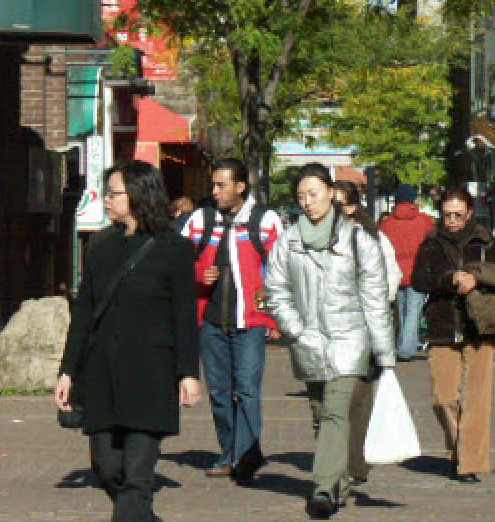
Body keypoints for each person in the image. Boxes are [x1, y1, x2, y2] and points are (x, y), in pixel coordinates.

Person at [55, 161, 201, 521]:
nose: (107, 199)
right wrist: (67, 371)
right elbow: (84, 315)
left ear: (138, 194)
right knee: (107, 468)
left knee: (137, 480)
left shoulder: (174, 249)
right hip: (103, 373)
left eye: (114, 192)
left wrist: (188, 373)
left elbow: (184, 316)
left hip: (151, 374)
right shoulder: (101, 246)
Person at [265, 163, 397, 518]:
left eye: (314, 194)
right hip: (308, 342)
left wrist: (384, 353)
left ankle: (322, 489)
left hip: (349, 341)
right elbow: (275, 289)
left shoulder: (358, 240)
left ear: (331, 195)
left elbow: (375, 299)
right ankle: (339, 484)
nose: (308, 202)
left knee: (337, 412)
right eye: (301, 196)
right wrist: (295, 327)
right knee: (321, 416)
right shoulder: (289, 241)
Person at [181, 157, 284, 481]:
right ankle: (230, 453)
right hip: (211, 322)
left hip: (250, 321)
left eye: (221, 185)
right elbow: (175, 260)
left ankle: (246, 455)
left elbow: (281, 272)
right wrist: (199, 273)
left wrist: (275, 320)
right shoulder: (200, 219)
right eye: (213, 184)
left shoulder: (265, 220)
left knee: (248, 390)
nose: (214, 191)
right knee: (220, 393)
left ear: (240, 187)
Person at [411, 186, 495, 483]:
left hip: (479, 327)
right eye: (447, 215)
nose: (452, 220)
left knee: (478, 400)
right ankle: (457, 448)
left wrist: (475, 277)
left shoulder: (485, 241)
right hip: (443, 326)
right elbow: (419, 279)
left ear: (469, 213)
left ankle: (470, 463)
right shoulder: (431, 242)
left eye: (458, 215)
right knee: (443, 398)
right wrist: (448, 279)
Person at [332, 180, 402, 490]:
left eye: (339, 204)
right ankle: (339, 458)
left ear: (352, 207)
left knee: (357, 396)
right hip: (331, 329)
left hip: (361, 327)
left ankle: (355, 462)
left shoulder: (371, 236)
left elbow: (392, 277)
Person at [380, 184, 438, 360]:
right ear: (414, 200)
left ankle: (402, 344)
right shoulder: (425, 221)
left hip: (395, 273)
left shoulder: (386, 224)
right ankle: (406, 349)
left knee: (400, 310)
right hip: (418, 272)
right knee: (414, 310)